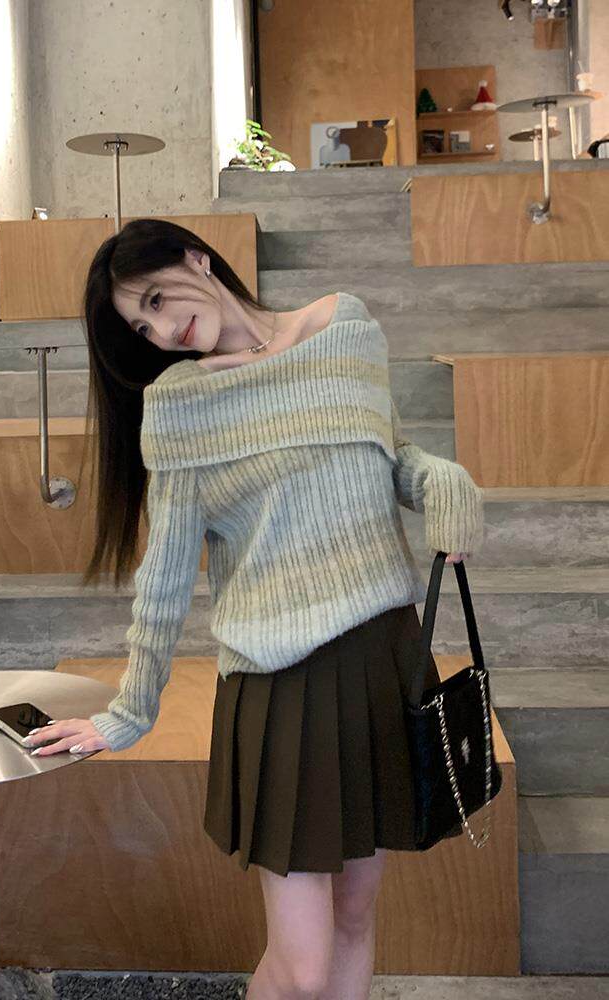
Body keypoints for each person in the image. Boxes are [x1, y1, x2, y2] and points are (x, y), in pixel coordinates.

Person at [25, 218, 484, 999]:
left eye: (157, 299)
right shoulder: (181, 405)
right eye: (143, 327)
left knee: (354, 919)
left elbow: (382, 455)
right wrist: (127, 713)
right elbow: (166, 575)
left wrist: (441, 479)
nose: (164, 330)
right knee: (301, 969)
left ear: (196, 258)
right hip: (282, 685)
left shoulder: (344, 327)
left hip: (385, 657)